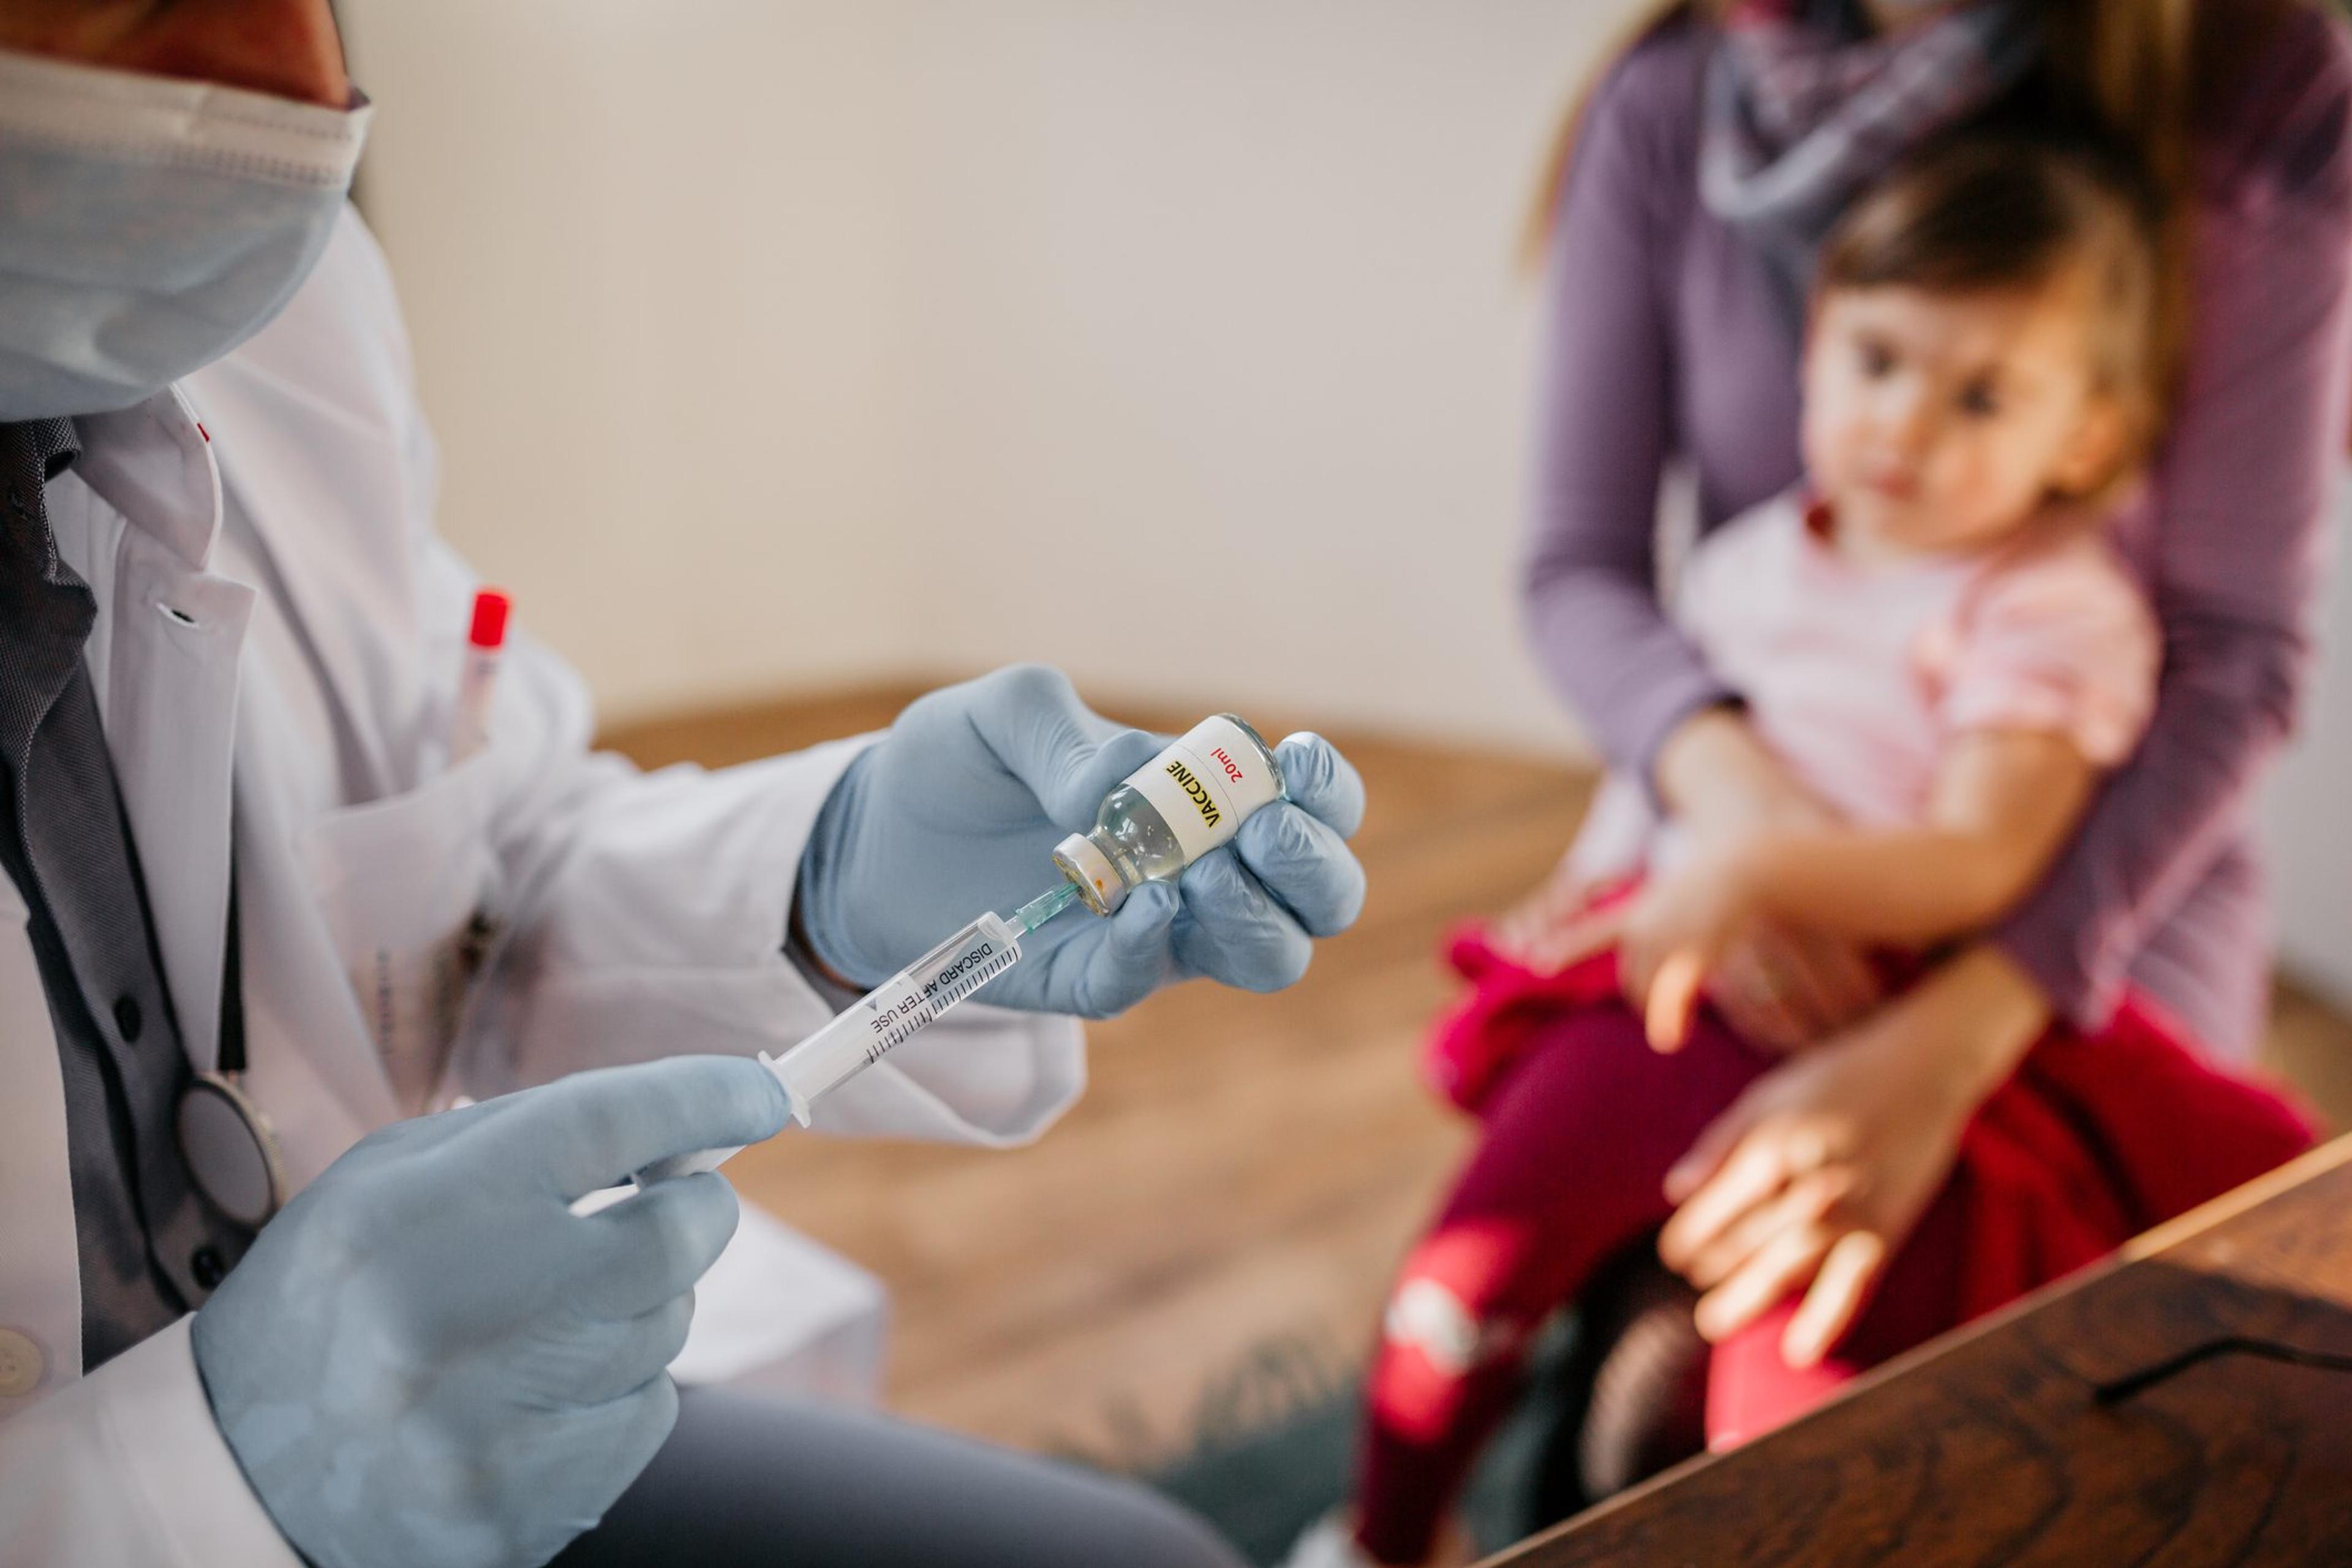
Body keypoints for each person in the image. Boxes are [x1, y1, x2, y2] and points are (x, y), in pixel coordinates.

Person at [0, 6, 1367, 1566]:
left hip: (460, 1429)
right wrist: (187, 1488)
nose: (304, 80)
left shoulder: (271, 339)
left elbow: (478, 861)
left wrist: (820, 880)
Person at [1286, 134, 2312, 1568]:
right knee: (1470, 1270)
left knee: (1798, 1382)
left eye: (1981, 396)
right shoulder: (1752, 559)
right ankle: (1386, 1533)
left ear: (2084, 437)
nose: (1907, 425)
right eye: (1878, 361)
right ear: (1817, 350)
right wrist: (1624, 868)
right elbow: (1657, 765)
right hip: (1670, 982)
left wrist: (1751, 869)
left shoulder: (2053, 613)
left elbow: (1978, 856)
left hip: (1874, 1012)